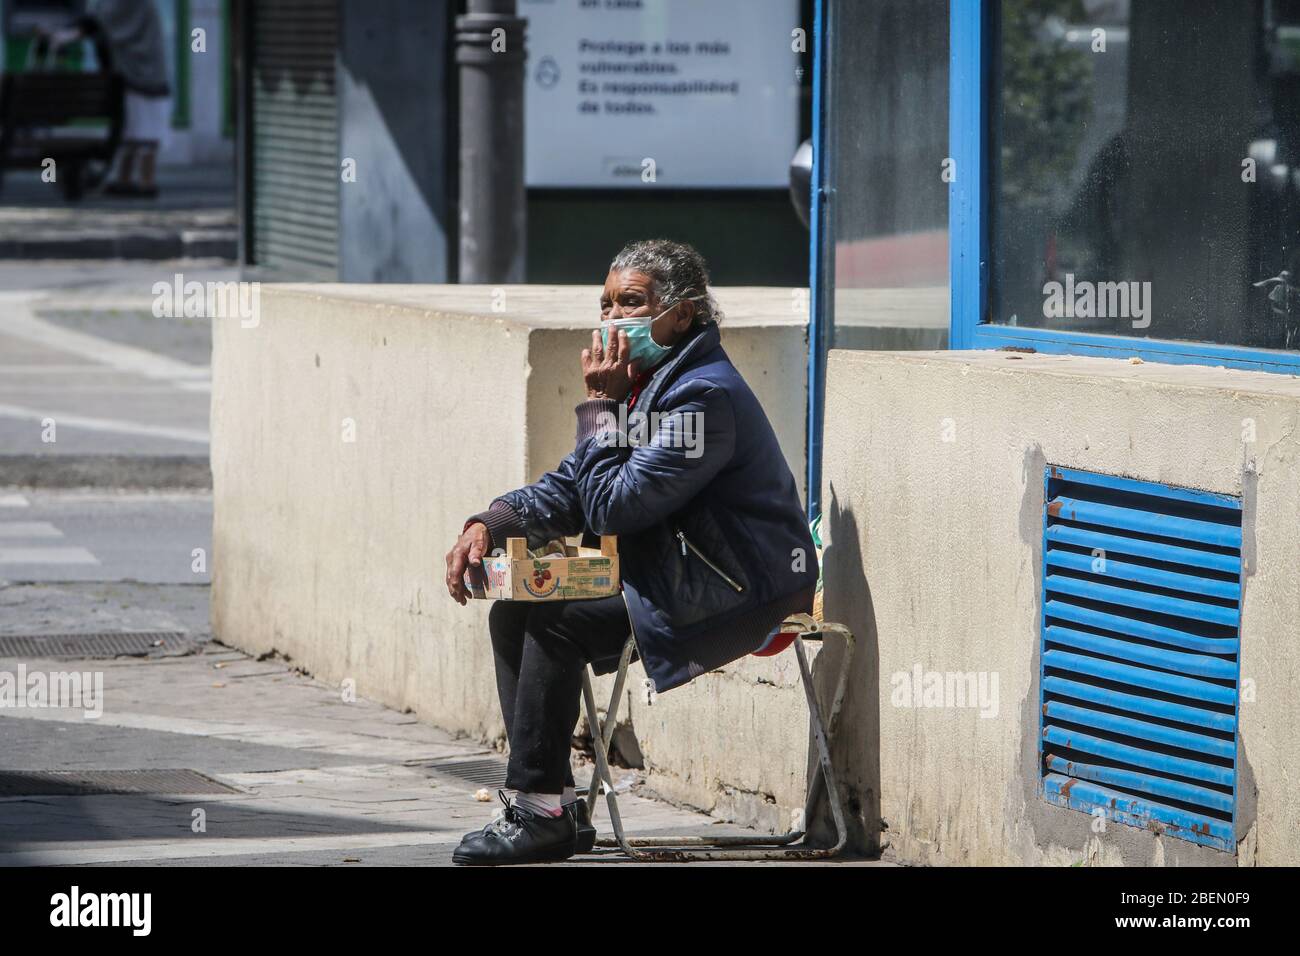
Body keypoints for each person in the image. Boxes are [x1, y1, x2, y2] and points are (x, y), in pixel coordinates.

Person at [444, 239, 818, 865]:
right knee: (514, 609)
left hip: (738, 590)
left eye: (633, 303)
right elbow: (571, 486)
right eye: (607, 303)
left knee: (556, 623)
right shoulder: (650, 387)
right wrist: (490, 522)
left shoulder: (703, 397)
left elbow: (614, 508)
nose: (614, 319)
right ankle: (555, 805)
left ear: (683, 314)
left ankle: (536, 814)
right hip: (677, 574)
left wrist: (603, 408)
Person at [51, 0, 171, 197]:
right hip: (152, 78)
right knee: (145, 132)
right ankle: (142, 181)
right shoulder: (145, 7)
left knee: (133, 130)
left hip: (132, 77)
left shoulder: (125, 5)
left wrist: (70, 34)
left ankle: (127, 179)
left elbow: (104, 21)